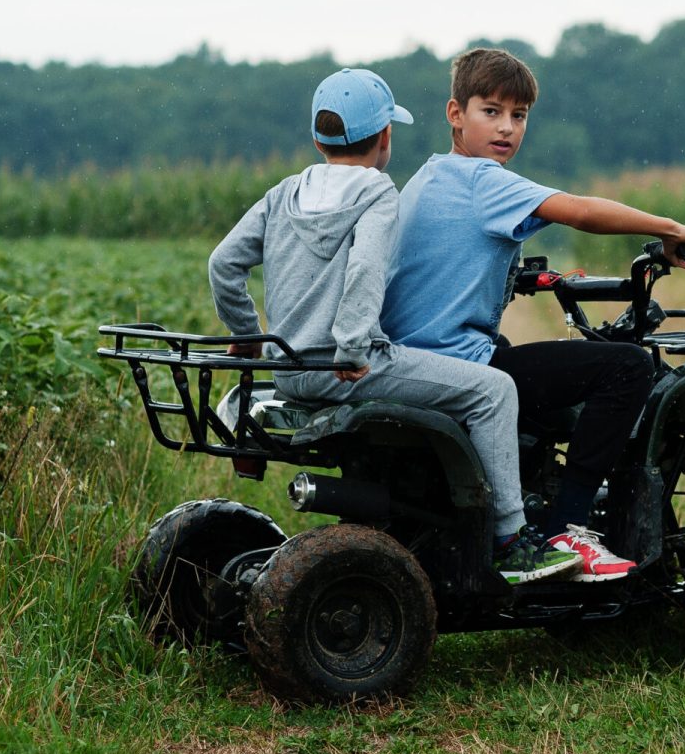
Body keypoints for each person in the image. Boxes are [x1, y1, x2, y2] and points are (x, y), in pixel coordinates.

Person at [208, 68, 579, 584]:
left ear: (318, 137)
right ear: (385, 137)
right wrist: (354, 347)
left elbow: (223, 264)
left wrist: (247, 335)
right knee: (495, 391)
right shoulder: (378, 192)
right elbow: (365, 269)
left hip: (290, 368)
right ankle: (513, 541)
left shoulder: (284, 192)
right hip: (348, 366)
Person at [381, 48, 685, 582]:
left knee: (522, 365)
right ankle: (569, 527)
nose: (506, 128)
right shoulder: (485, 181)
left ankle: (527, 492)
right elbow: (582, 210)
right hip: (458, 363)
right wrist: (671, 228)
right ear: (455, 114)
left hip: (416, 359)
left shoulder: (428, 177)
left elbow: (449, 257)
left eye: (518, 116)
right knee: (626, 366)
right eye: (490, 111)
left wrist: (528, 277)